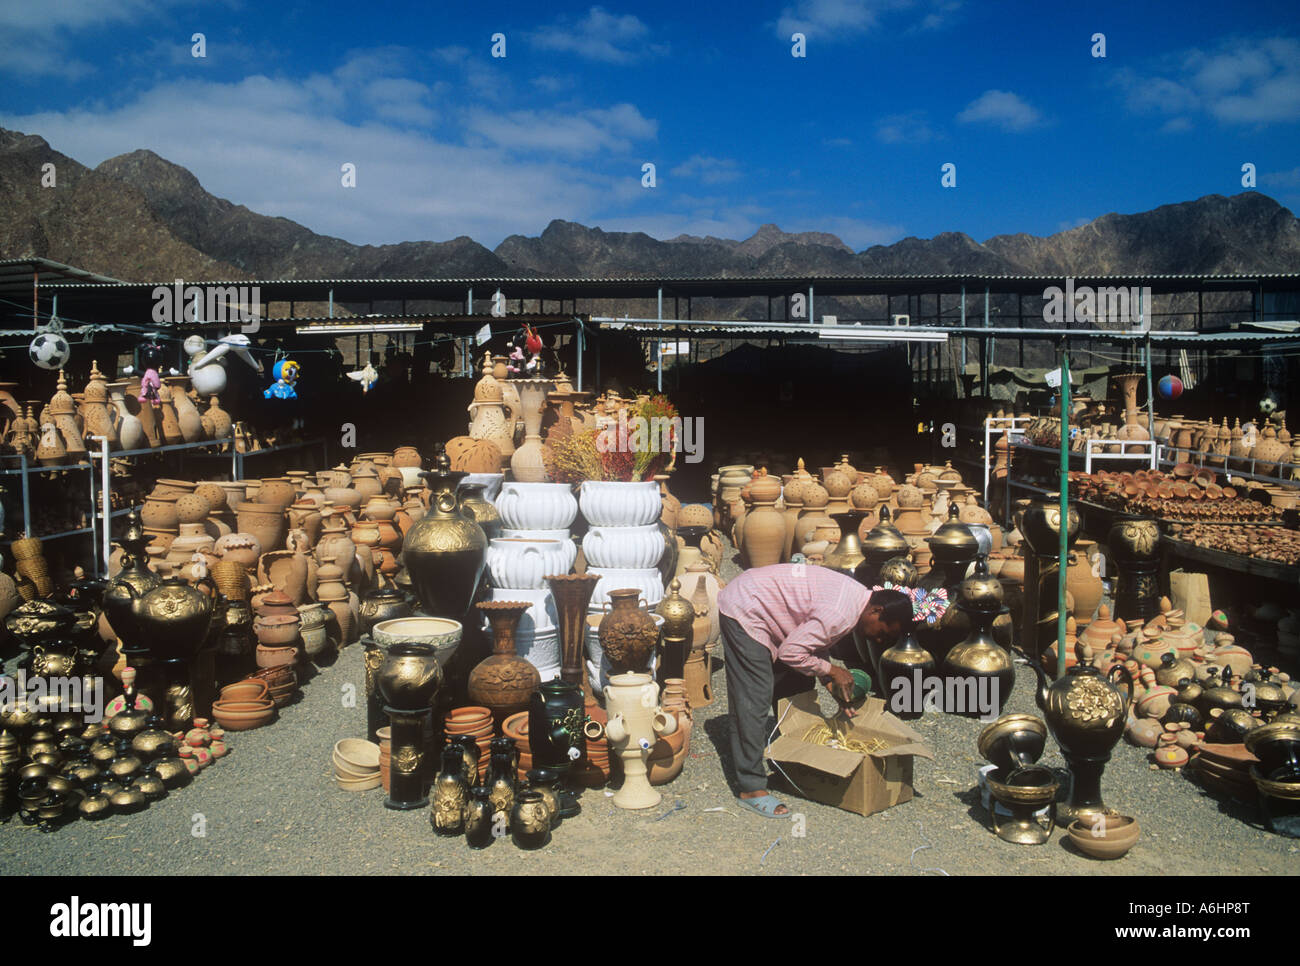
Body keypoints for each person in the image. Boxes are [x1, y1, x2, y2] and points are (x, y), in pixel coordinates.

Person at [716, 563, 913, 818]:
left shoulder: (856, 599)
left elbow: (812, 638)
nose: (878, 640)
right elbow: (792, 652)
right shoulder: (842, 614)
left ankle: (789, 761)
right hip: (746, 605)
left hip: (763, 603)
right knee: (754, 696)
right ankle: (750, 788)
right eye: (882, 632)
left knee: (797, 684)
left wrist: (826, 680)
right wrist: (832, 670)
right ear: (877, 611)